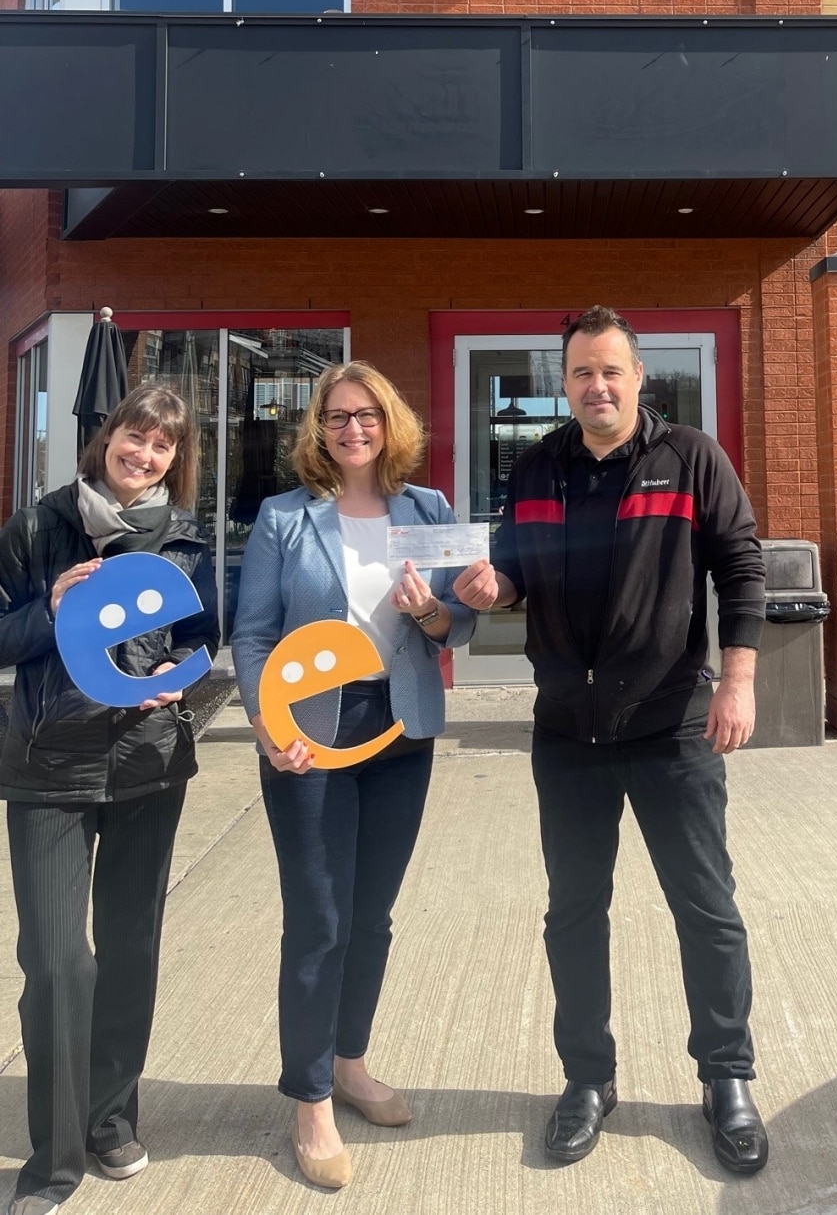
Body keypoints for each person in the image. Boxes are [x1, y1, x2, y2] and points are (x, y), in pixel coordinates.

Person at [454, 305, 770, 1175]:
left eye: (612, 371)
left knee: (706, 911)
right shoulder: (538, 468)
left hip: (672, 727)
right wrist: (491, 585)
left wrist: (737, 682)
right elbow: (515, 569)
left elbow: (742, 566)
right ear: (565, 382)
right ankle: (588, 1079)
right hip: (567, 734)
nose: (598, 386)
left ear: (640, 379)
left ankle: (727, 1076)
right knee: (574, 915)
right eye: (582, 372)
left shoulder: (690, 459)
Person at [232, 360, 484, 1192]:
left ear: (390, 423)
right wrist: (269, 730)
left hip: (400, 730)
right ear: (319, 428)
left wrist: (431, 611)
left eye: (367, 414)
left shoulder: (429, 512)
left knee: (370, 917)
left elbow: (457, 629)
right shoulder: (283, 519)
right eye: (338, 416)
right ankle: (308, 1101)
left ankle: (350, 1065)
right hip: (309, 736)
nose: (353, 429)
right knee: (319, 919)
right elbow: (255, 637)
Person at [0, 382, 218, 1215]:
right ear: (107, 439)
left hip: (146, 768)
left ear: (176, 458)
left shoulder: (186, 542)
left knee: (129, 952)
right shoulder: (39, 526)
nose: (145, 455)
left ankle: (110, 1117)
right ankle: (51, 1166)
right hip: (47, 765)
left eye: (163, 446)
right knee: (57, 964)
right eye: (136, 436)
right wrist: (48, 613)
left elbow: (203, 647)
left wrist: (178, 689)